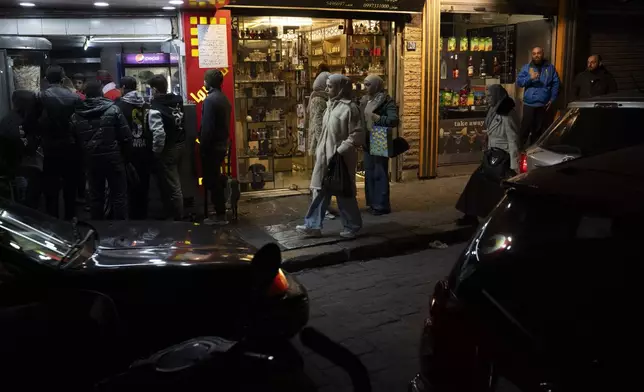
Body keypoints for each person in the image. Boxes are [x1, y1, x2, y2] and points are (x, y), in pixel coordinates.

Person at [296, 74, 364, 239]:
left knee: (343, 193)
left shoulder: (350, 108)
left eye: (330, 86)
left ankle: (352, 226)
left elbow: (357, 135)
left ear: (341, 88)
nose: (326, 89)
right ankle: (313, 226)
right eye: (326, 86)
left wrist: (340, 150)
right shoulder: (330, 105)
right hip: (325, 157)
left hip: (340, 159)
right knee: (320, 191)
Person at [455, 85, 520, 226]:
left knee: (494, 188)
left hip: (502, 157)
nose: (487, 99)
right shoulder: (494, 110)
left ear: (497, 95)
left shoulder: (507, 113)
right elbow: (492, 129)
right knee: (478, 182)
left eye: (490, 96)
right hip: (492, 155)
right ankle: (472, 215)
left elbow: (513, 139)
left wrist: (514, 164)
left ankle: (497, 217)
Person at [70, 80, 132, 220]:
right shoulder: (114, 109)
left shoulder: (76, 115)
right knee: (119, 197)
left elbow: (73, 141)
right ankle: (121, 232)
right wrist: (125, 158)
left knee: (96, 197)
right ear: (101, 92)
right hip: (114, 160)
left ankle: (98, 230)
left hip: (91, 161)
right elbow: (126, 137)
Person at [37, 65, 82, 220]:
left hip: (49, 147)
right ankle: (70, 220)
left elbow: (35, 121)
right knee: (70, 186)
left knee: (51, 188)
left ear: (45, 79)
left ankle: (53, 220)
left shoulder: (41, 97)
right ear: (63, 79)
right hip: (70, 146)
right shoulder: (74, 97)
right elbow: (79, 123)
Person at [148, 74, 186, 221]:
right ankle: (176, 213)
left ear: (155, 90)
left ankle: (178, 218)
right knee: (176, 182)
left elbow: (158, 134)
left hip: (168, 149)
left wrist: (156, 153)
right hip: (181, 144)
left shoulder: (155, 109)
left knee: (173, 186)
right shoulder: (177, 100)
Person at [360, 74, 399, 215]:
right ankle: (372, 202)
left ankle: (381, 205)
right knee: (369, 171)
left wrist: (378, 118)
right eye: (365, 84)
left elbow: (393, 120)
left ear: (377, 85)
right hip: (367, 138)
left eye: (368, 84)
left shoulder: (386, 100)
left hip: (379, 136)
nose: (365, 87)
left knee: (379, 172)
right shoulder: (365, 100)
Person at [117, 76, 152, 220]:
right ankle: (143, 217)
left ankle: (132, 220)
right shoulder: (147, 105)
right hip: (145, 151)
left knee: (129, 189)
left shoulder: (119, 106)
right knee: (144, 187)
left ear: (123, 88)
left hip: (128, 153)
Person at [199, 69, 231, 225]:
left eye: (205, 80)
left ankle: (220, 215)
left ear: (208, 82)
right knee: (216, 179)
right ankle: (221, 210)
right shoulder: (224, 99)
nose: (203, 83)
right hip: (221, 144)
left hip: (212, 147)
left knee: (212, 180)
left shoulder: (210, 100)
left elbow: (207, 128)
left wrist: (202, 147)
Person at [516, 46, 560, 148]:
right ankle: (519, 151)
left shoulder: (550, 68)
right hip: (529, 104)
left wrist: (552, 98)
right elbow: (519, 82)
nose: (536, 55)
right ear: (532, 55)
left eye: (538, 53)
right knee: (525, 129)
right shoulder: (526, 68)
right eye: (534, 53)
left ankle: (533, 152)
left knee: (538, 131)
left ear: (542, 54)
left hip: (543, 105)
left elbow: (556, 83)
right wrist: (530, 78)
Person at [0, 91, 33, 200]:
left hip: (12, 164)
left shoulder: (10, 118)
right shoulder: (18, 123)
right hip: (15, 168)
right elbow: (25, 147)